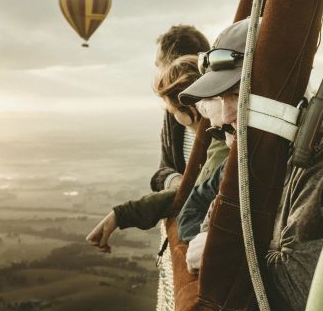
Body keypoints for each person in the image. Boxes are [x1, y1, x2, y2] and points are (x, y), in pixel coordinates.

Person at [176, 17, 323, 311]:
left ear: (279, 90)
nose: (226, 114)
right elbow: (211, 222)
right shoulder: (264, 146)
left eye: (238, 94)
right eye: (219, 97)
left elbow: (300, 296)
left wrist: (220, 258)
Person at [86, 56, 229, 253]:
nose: (173, 118)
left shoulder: (221, 140)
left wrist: (122, 214)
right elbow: (168, 172)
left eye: (172, 111)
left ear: (188, 108)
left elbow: (194, 194)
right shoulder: (215, 135)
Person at [150, 25, 211, 193]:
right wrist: (175, 181)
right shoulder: (173, 113)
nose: (158, 71)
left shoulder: (221, 115)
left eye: (159, 65)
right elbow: (162, 170)